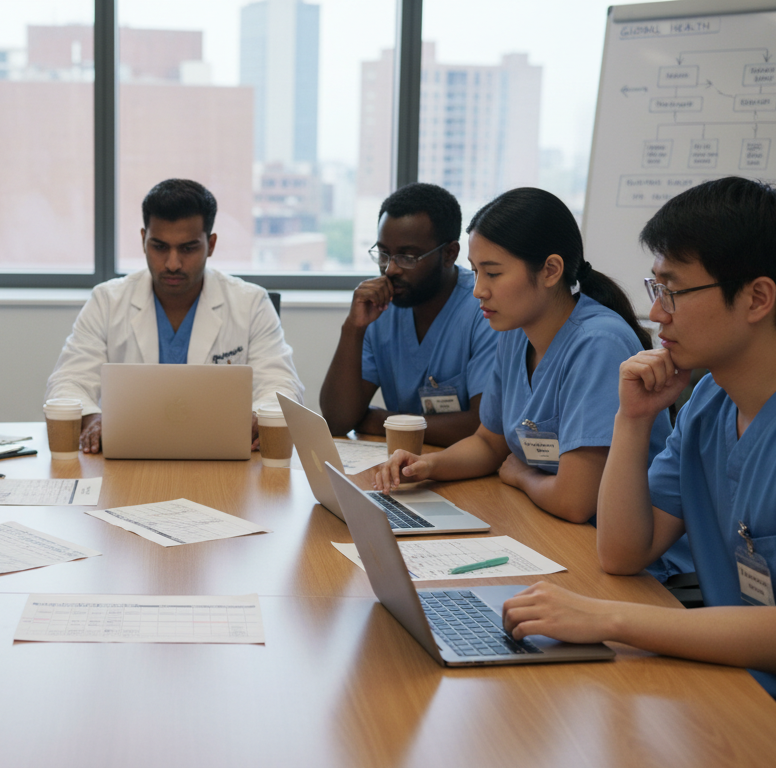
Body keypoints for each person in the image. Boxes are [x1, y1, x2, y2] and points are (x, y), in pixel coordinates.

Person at [499, 178, 776, 764]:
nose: (655, 313)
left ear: (757, 299)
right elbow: (624, 552)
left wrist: (603, 617)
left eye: (674, 291)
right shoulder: (711, 399)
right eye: (657, 287)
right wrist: (632, 421)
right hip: (722, 681)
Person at [372, 187, 691, 581]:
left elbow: (574, 501)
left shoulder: (598, 344)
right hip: (555, 533)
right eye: (476, 272)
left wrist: (522, 474)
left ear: (551, 271)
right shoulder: (515, 330)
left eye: (493, 273)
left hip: (633, 566)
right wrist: (426, 465)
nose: (478, 290)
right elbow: (490, 443)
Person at [45, 178, 304, 453]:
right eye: (159, 247)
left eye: (188, 248)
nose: (172, 264)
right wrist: (93, 418)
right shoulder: (107, 301)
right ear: (143, 239)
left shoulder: (251, 303)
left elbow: (282, 386)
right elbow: (67, 382)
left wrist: (259, 416)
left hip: (221, 458)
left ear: (211, 244)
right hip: (130, 457)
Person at [319, 183, 495, 445]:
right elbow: (337, 420)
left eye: (407, 257)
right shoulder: (380, 309)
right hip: (400, 467)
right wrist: (353, 328)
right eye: (383, 254)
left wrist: (383, 421)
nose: (390, 270)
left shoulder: (484, 309)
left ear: (449, 254)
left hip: (471, 474)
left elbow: (484, 427)